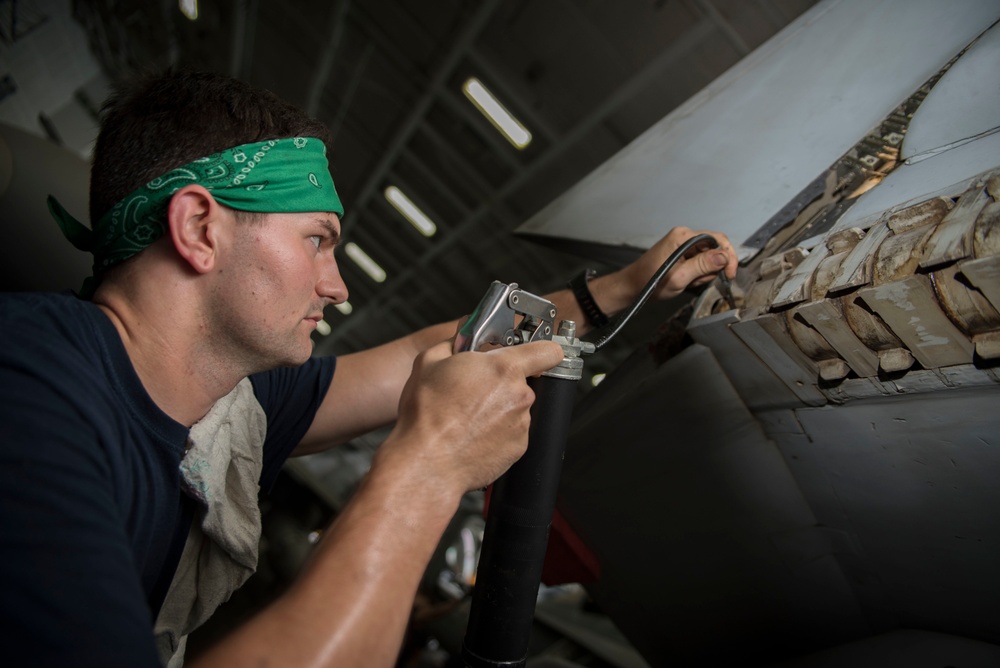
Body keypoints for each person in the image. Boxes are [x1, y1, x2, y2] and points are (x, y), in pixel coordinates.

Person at [0, 69, 738, 667]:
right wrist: (427, 467)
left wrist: (621, 286)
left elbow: (438, 352)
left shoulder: (230, 402)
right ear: (199, 228)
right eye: (318, 241)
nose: (338, 286)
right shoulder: (26, 399)